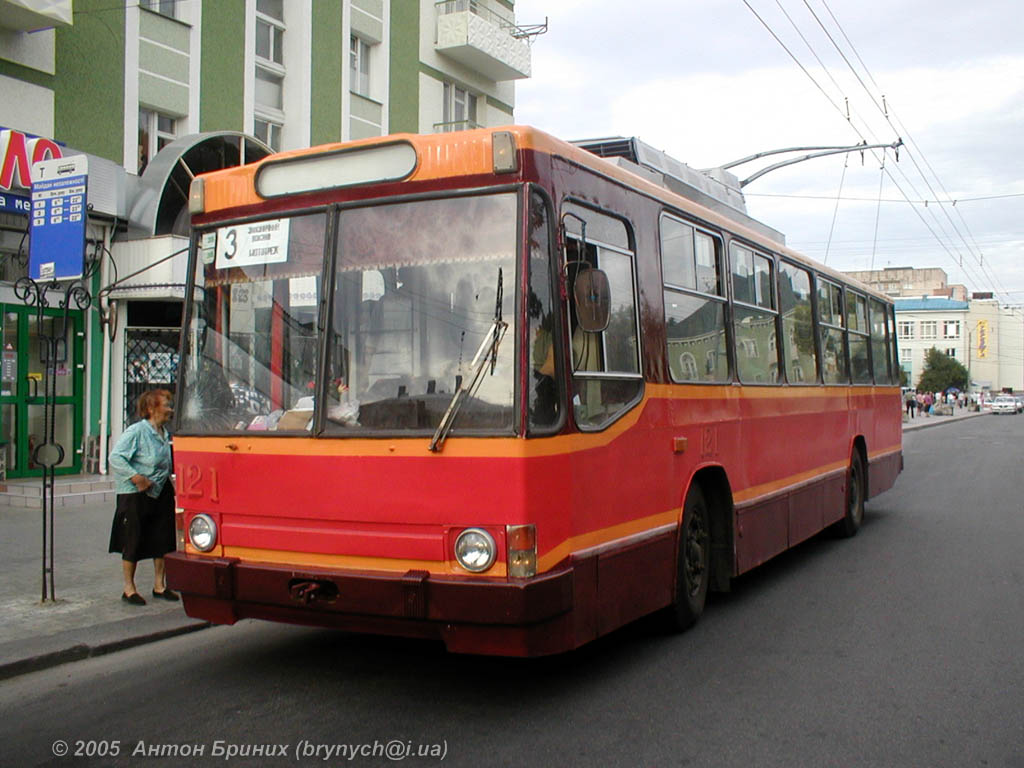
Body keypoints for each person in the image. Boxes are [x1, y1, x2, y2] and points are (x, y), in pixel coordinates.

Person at [108, 388, 178, 605]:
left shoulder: (165, 434)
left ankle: (160, 585)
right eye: (165, 404)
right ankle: (129, 588)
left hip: (161, 490)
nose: (170, 409)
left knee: (163, 537)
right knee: (133, 538)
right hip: (136, 494)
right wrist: (137, 478)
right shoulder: (137, 431)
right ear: (151, 408)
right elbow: (116, 458)